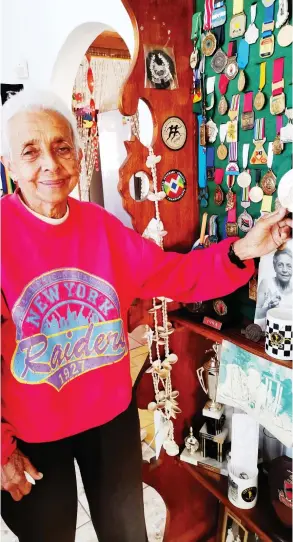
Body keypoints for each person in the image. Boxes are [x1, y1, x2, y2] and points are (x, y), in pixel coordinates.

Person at [1, 89, 292, 542]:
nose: (50, 166)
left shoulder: (100, 226)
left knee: (126, 532)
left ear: (79, 155)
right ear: (8, 164)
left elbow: (174, 275)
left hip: (109, 420)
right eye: (30, 152)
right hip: (32, 434)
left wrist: (242, 250)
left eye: (61, 148)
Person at [255, 246, 292, 328]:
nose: (284, 270)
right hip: (267, 332)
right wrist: (268, 308)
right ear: (274, 267)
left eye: (289, 265)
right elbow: (257, 314)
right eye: (280, 265)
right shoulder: (266, 283)